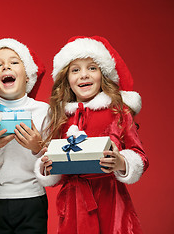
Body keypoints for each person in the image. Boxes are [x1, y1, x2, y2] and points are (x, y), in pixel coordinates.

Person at [34, 36, 149, 234]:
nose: (83, 75)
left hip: (109, 200)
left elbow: (140, 155)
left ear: (103, 74)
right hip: (73, 205)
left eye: (92, 68)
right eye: (75, 70)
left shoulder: (118, 112)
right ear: (66, 79)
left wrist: (122, 162)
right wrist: (47, 166)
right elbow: (57, 167)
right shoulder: (60, 116)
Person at [0, 38, 49, 234]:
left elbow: (55, 160)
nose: (6, 67)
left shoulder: (44, 110)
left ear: (27, 76)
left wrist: (37, 146)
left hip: (33, 198)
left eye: (14, 62)